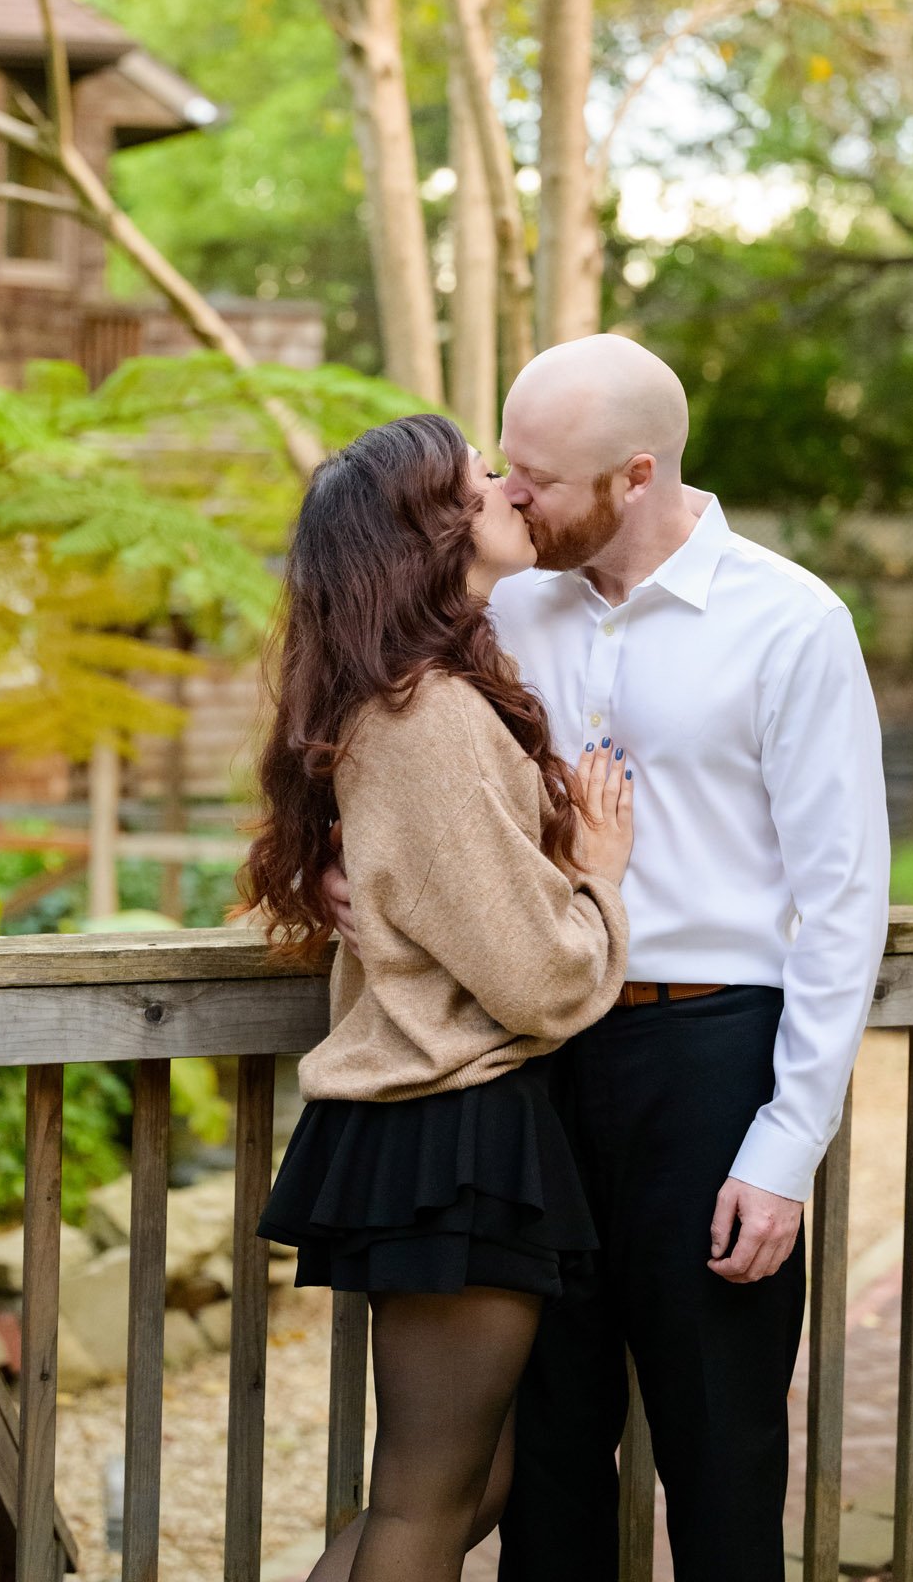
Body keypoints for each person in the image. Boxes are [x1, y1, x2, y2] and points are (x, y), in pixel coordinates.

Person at [324, 336, 892, 1582]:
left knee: (719, 1448)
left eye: (536, 477)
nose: (509, 497)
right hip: (522, 1065)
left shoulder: (791, 620)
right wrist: (339, 856)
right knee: (548, 1454)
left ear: (635, 474)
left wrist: (785, 1147)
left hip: (707, 1063)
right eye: (503, 470)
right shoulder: (501, 598)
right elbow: (375, 713)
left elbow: (844, 901)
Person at [235, 411, 630, 1582]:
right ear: (431, 529)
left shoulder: (409, 699)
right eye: (481, 478)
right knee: (425, 1495)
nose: (510, 487)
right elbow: (539, 974)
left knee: (462, 1483)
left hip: (432, 1127)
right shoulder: (430, 716)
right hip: (452, 1123)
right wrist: (600, 882)